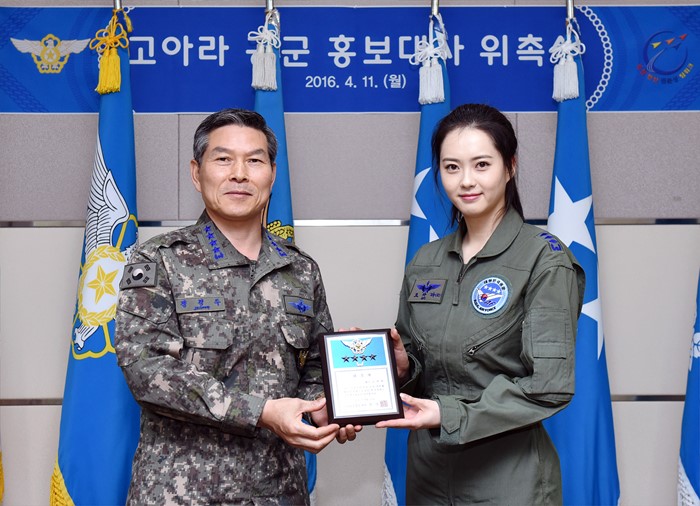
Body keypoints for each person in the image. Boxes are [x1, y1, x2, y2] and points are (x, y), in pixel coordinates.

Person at [115, 108, 358, 505]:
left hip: (278, 491)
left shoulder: (300, 270)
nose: (239, 174)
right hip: (182, 493)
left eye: (255, 161)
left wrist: (326, 406)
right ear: (197, 173)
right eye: (224, 159)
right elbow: (147, 369)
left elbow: (315, 366)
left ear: (272, 175)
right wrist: (260, 411)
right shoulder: (159, 260)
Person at [376, 103, 585, 505]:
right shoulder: (426, 260)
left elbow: (548, 387)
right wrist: (402, 367)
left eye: (482, 165)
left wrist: (449, 415)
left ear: (510, 167)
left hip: (509, 480)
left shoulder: (544, 259)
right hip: (428, 477)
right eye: (451, 167)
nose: (466, 181)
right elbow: (420, 367)